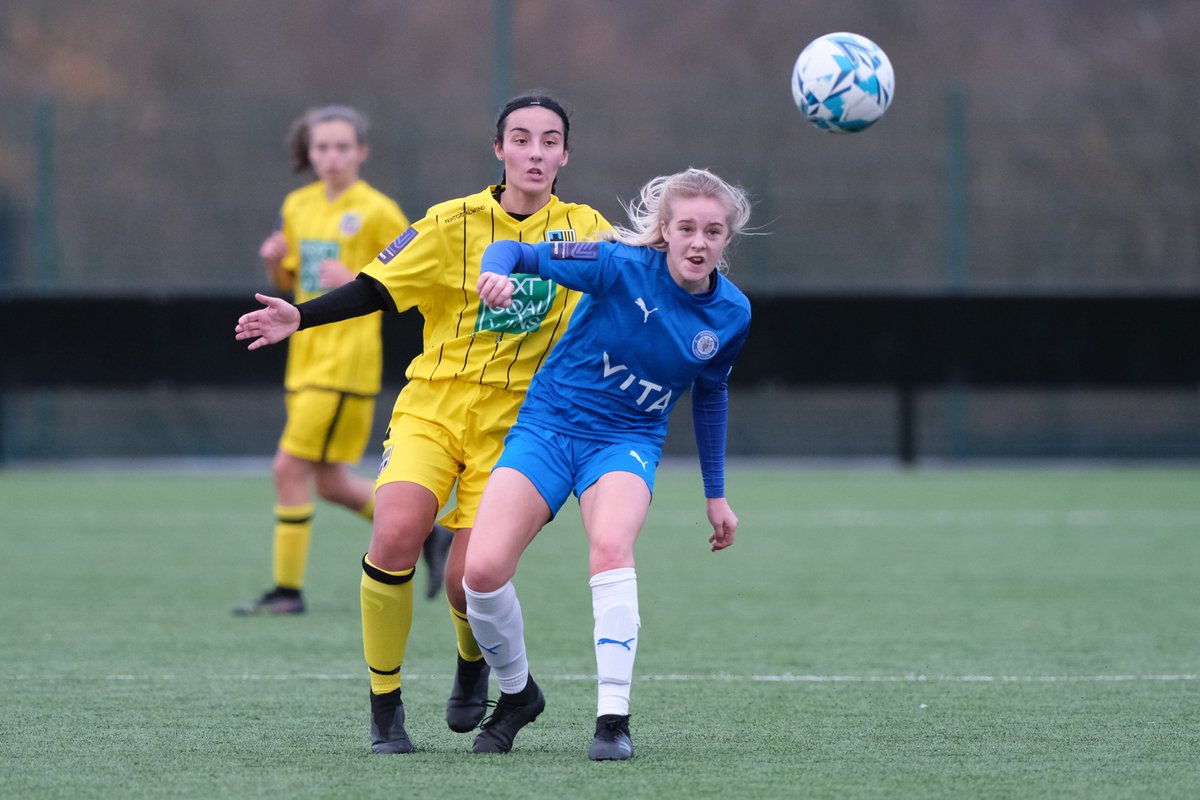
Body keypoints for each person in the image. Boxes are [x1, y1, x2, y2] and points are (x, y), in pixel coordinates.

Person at [234, 93, 611, 753]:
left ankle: (472, 665)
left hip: (523, 425)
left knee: (474, 578)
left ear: (565, 154)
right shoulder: (451, 222)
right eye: (520, 138)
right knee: (396, 537)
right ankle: (386, 708)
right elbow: (377, 287)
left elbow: (635, 286)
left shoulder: (586, 231)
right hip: (433, 408)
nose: (535, 152)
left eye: (549, 140)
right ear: (498, 150)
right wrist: (302, 313)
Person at [462, 167, 753, 760]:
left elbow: (712, 393)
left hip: (625, 440)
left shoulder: (732, 314)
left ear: (728, 239)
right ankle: (517, 694)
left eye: (714, 231)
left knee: (612, 547)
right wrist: (494, 275)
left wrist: (715, 493)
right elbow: (513, 249)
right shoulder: (616, 263)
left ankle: (612, 721)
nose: (699, 242)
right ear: (665, 231)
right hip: (548, 426)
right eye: (688, 228)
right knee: (481, 573)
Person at [234, 105, 453, 616]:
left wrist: (354, 275)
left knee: (288, 468)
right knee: (331, 483)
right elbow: (290, 284)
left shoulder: (378, 210)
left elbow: (412, 278)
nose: (331, 157)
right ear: (309, 153)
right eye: (321, 147)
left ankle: (287, 592)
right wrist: (273, 259)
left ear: (361, 152)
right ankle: (430, 534)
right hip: (305, 360)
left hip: (345, 362)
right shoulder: (298, 204)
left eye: (341, 147)